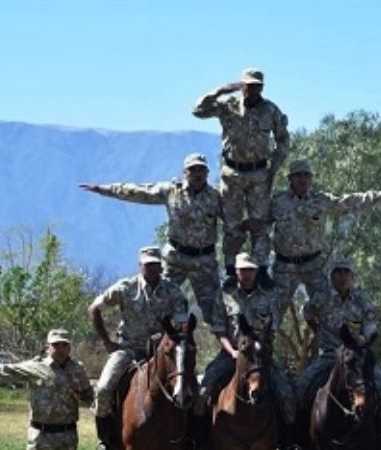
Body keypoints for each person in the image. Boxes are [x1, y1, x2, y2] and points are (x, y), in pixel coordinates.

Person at [79, 153, 222, 325]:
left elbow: (235, 219)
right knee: (159, 303)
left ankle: (228, 351)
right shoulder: (171, 191)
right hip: (175, 258)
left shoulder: (216, 197)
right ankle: (153, 348)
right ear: (185, 172)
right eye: (193, 169)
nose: (197, 173)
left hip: (204, 260)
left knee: (215, 310)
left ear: (207, 172)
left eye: (201, 169)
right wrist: (103, 189)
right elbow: (137, 191)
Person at [269, 159, 381, 323]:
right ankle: (262, 347)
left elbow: (347, 203)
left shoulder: (320, 200)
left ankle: (329, 347)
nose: (302, 179)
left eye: (306, 175)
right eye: (298, 175)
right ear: (290, 178)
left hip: (313, 265)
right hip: (285, 266)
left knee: (327, 311)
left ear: (311, 178)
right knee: (271, 316)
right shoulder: (277, 202)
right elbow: (259, 225)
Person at [192, 68, 289, 286]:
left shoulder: (270, 110)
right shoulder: (228, 106)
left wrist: (274, 168)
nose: (252, 90)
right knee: (232, 223)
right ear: (241, 85)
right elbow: (198, 110)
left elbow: (283, 140)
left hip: (259, 173)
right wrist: (219, 91)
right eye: (248, 85)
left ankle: (262, 269)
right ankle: (230, 269)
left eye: (256, 86)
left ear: (262, 87)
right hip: (232, 173)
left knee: (260, 223)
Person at [194, 253, 299, 450]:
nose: (247, 274)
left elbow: (272, 329)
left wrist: (261, 348)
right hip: (231, 354)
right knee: (203, 390)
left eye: (251, 270)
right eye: (243, 270)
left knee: (286, 393)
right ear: (236, 272)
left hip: (259, 356)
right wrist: (233, 352)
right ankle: (199, 440)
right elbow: (219, 330)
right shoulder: (225, 295)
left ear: (257, 271)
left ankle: (288, 441)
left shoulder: (269, 296)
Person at [87, 246, 189, 449]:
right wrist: (107, 341)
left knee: (188, 386)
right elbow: (94, 308)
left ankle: (190, 437)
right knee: (104, 388)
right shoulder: (125, 287)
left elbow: (182, 325)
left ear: (161, 266)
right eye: (147, 265)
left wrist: (171, 336)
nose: (151, 269)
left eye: (155, 265)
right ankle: (105, 439)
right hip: (129, 349)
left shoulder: (173, 292)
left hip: (162, 351)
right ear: (140, 265)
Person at [297, 256, 381, 449]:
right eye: (338, 272)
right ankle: (299, 440)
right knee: (300, 388)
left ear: (352, 276)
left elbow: (371, 325)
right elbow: (306, 313)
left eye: (346, 272)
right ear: (331, 276)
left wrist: (362, 342)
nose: (342, 276)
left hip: (356, 356)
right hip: (330, 355)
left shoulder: (362, 299)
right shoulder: (321, 297)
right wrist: (318, 332)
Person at [0, 329, 94, 450]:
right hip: (41, 436)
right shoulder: (35, 367)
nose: (60, 348)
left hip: (67, 436)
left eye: (64, 345)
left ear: (70, 347)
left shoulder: (78, 370)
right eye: (56, 345)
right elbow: (2, 371)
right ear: (47, 347)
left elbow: (89, 398)